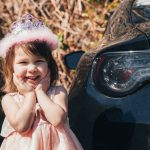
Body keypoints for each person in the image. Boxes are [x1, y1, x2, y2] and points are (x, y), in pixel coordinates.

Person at [0, 14, 83, 150]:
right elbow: (22, 127)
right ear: (11, 68)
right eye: (23, 62)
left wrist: (40, 92)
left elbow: (57, 120)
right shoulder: (9, 100)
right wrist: (29, 96)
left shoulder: (58, 92)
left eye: (38, 61)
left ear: (49, 65)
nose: (32, 68)